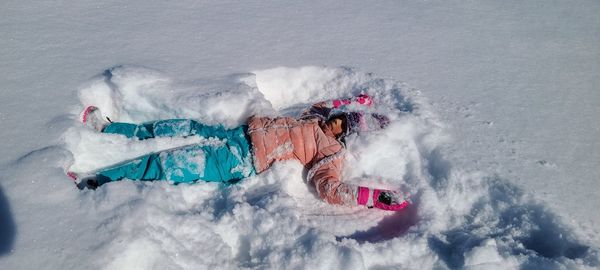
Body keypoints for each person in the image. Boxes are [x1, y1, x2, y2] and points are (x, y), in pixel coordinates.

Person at [69, 94, 410, 211]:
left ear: (347, 136)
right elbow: (322, 104)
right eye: (338, 119)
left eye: (343, 126)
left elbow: (329, 188)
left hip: (240, 160)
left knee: (167, 163)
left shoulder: (333, 154)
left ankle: (100, 180)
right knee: (177, 126)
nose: (336, 125)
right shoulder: (315, 117)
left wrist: (372, 197)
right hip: (236, 133)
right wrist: (357, 101)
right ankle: (110, 128)